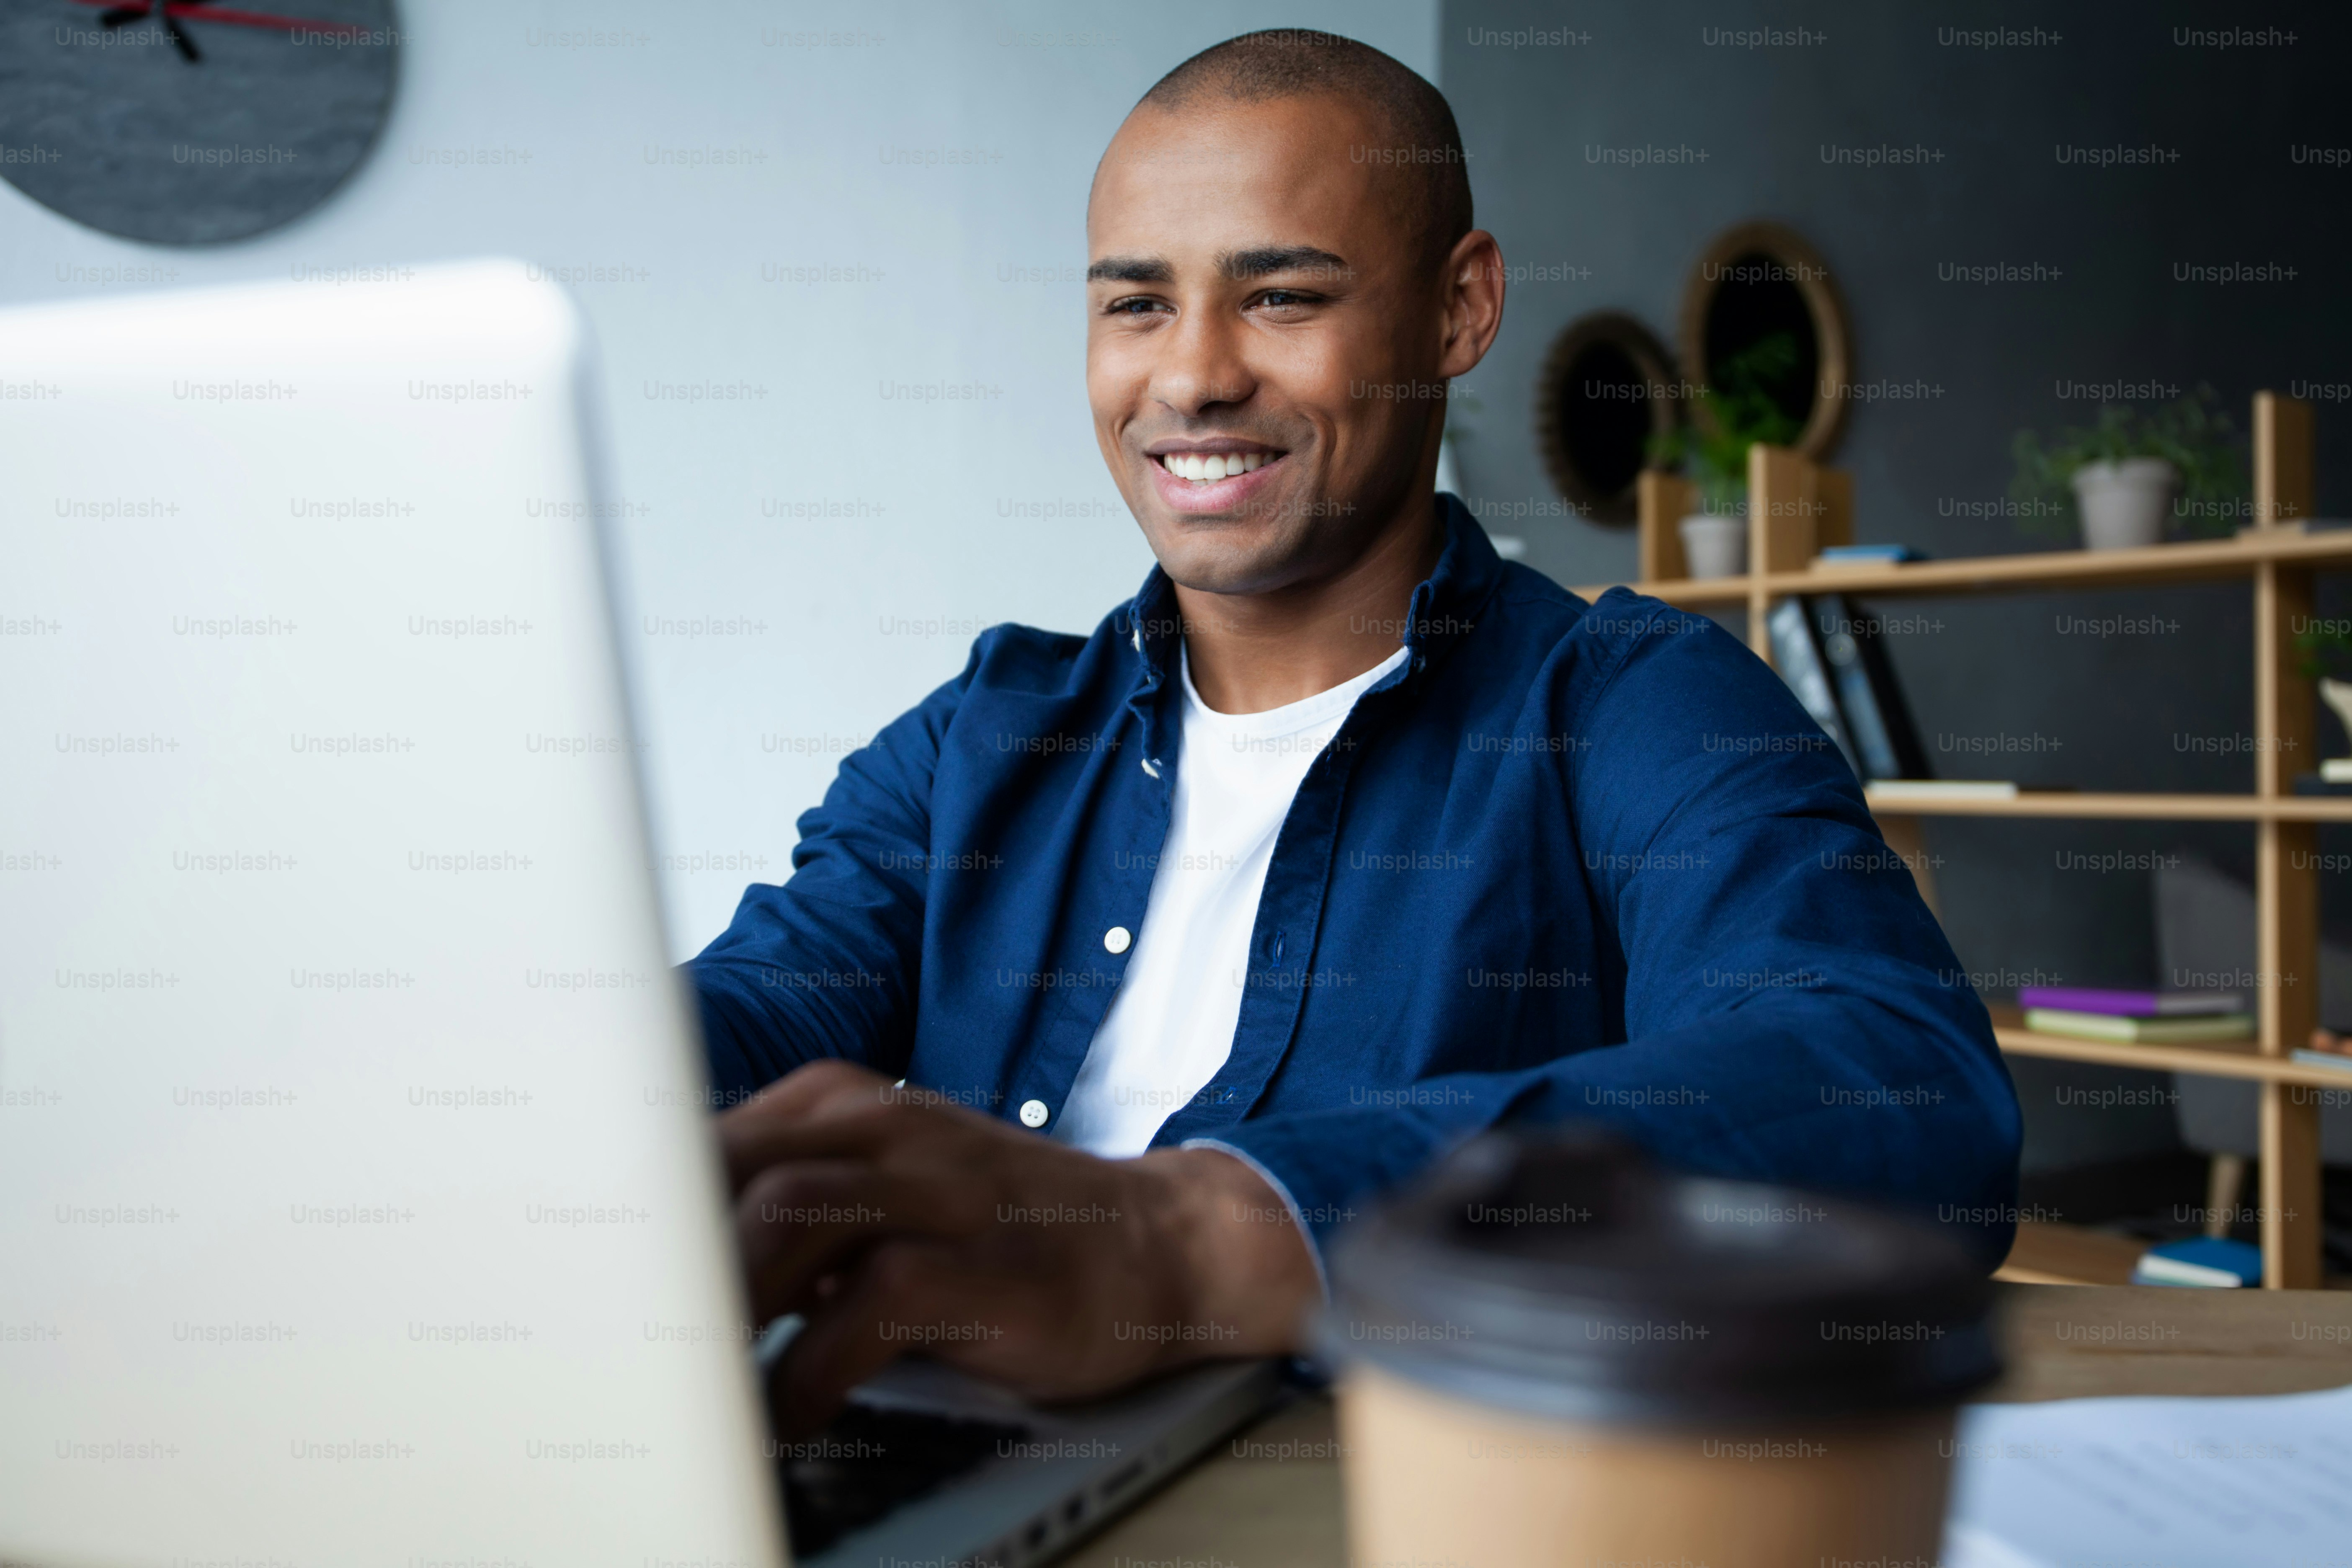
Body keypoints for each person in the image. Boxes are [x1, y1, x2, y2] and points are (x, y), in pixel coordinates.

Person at [694, 30, 2020, 1433]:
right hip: (953, 1452)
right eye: (1137, 306)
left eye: (1279, 296)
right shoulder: (986, 733)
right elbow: (764, 999)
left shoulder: (1633, 703)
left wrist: (1195, 1236)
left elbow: (1897, 1091)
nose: (1193, 378)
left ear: (1459, 308)